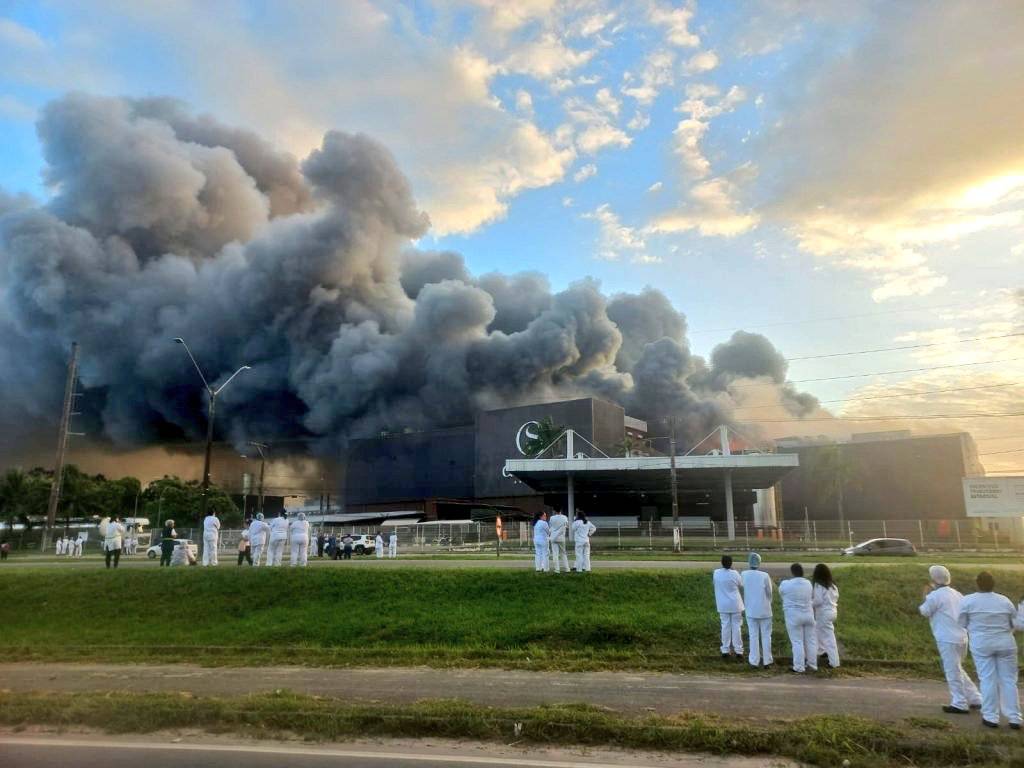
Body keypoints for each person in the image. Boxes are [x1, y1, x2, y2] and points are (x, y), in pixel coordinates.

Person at [958, 571, 1022, 728]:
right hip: (1006, 643)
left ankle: (991, 717)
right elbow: (1014, 623)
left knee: (988, 679)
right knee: (1009, 680)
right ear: (994, 584)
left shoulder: (968, 600)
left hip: (982, 644)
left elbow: (961, 623)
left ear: (977, 583)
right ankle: (1015, 718)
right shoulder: (1004, 600)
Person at [919, 565, 982, 714]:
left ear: (934, 579)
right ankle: (975, 698)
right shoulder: (957, 594)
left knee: (952, 671)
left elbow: (924, 611)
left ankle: (959, 703)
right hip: (962, 637)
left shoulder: (934, 596)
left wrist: (925, 596)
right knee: (957, 668)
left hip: (947, 638)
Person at [779, 563, 817, 673]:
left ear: (792, 572)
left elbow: (781, 592)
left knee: (797, 642)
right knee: (811, 641)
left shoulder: (786, 584)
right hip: (809, 615)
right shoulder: (808, 583)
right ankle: (813, 664)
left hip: (793, 616)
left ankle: (799, 667)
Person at [741, 553, 773, 668]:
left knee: (753, 635)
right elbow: (769, 592)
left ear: (749, 562)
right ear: (759, 563)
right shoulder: (765, 575)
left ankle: (754, 661)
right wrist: (769, 602)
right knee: (766, 636)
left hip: (750, 610)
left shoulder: (744, 574)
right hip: (765, 610)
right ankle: (767, 661)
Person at [713, 555, 744, 659]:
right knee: (736, 627)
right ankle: (738, 651)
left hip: (722, 605)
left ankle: (725, 650)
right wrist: (733, 570)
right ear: (731, 563)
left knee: (725, 626)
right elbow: (741, 584)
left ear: (721, 563)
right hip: (735, 604)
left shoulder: (716, 573)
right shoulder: (735, 574)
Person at [812, 563, 840, 669]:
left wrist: (809, 603)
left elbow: (818, 601)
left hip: (823, 613)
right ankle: (822, 651)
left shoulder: (818, 585)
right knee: (818, 631)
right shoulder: (833, 585)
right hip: (832, 612)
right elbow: (836, 597)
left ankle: (834, 662)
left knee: (829, 638)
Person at [548, 509, 570, 574]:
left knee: (555, 554)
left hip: (553, 538)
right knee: (563, 553)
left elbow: (550, 526)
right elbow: (566, 526)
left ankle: (557, 570)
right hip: (561, 538)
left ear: (554, 511)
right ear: (561, 511)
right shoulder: (565, 517)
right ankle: (567, 568)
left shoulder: (552, 518)